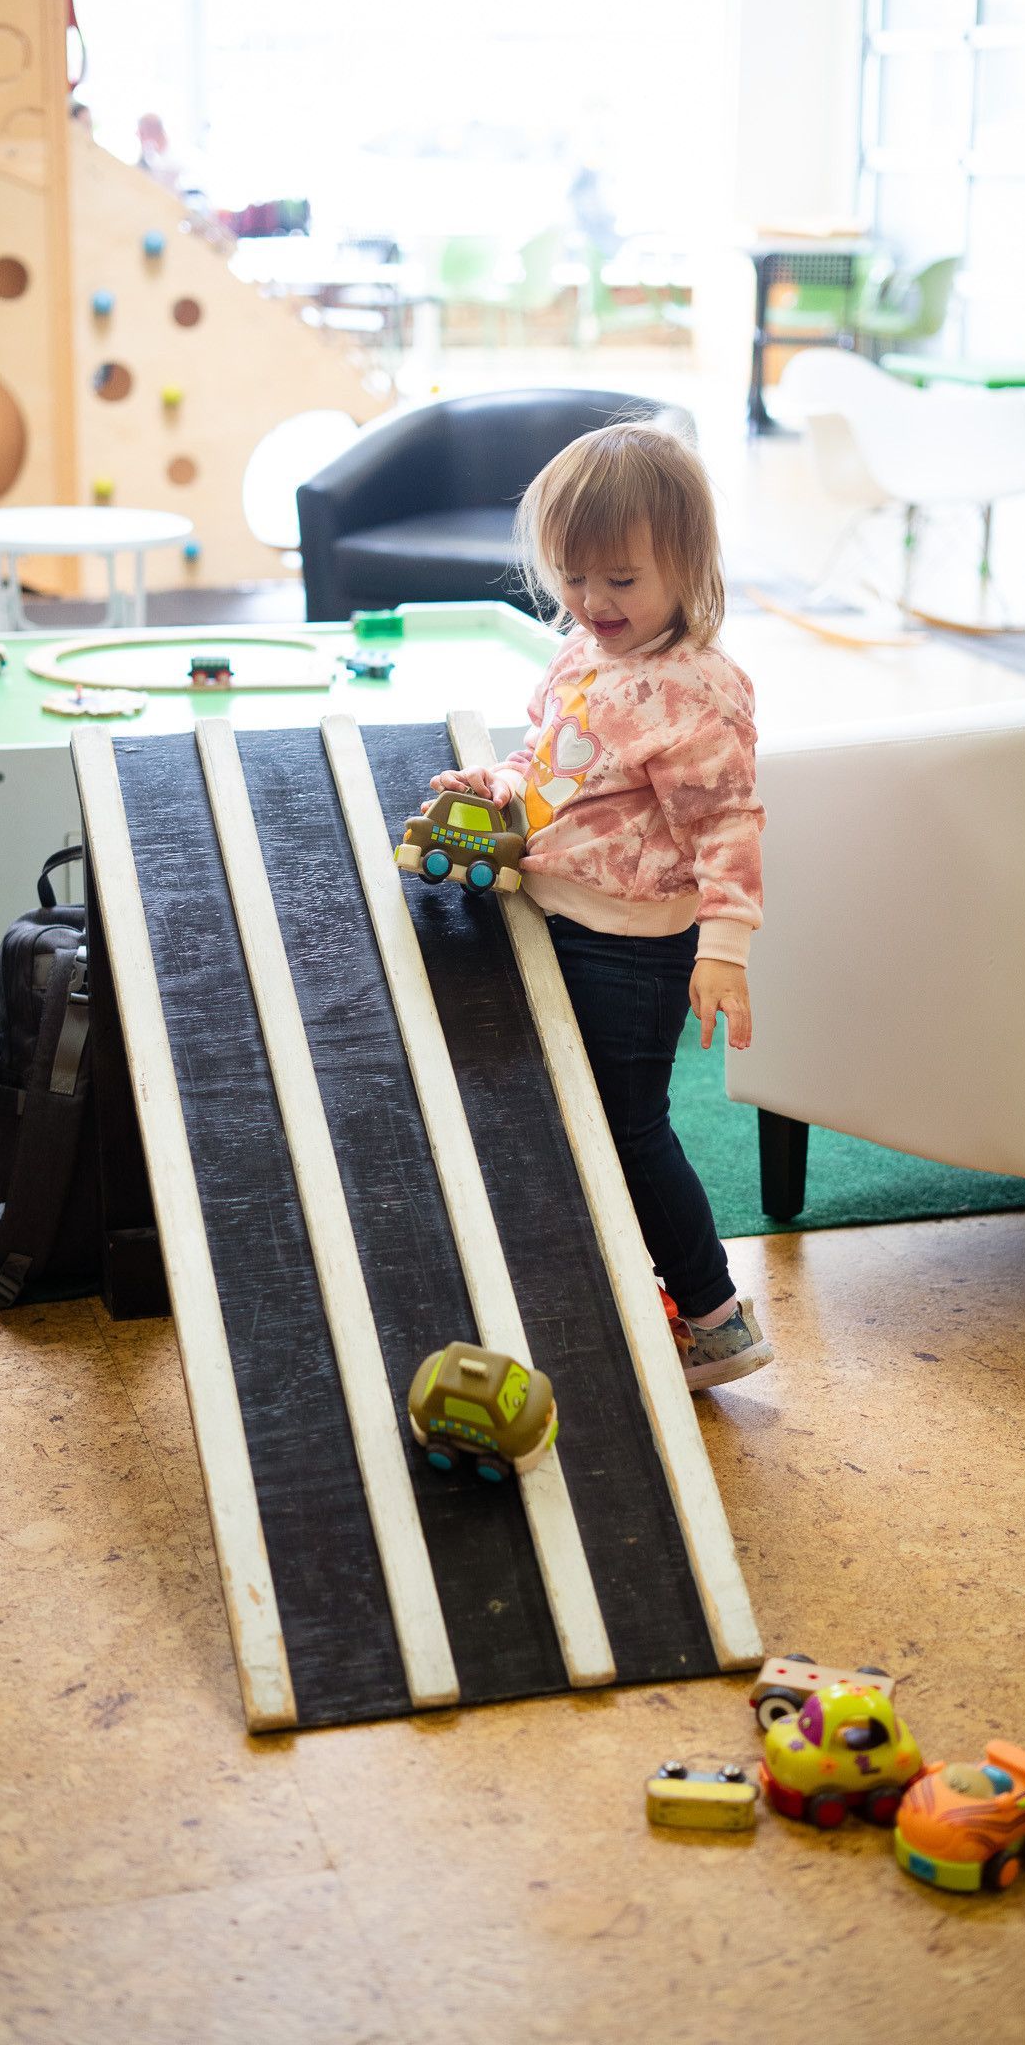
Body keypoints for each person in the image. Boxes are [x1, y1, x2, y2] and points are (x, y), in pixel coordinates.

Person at [425, 420, 773, 1391]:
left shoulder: (694, 691)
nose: (592, 601)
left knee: (628, 1124)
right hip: (553, 915)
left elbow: (728, 825)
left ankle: (715, 1316)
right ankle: (617, 1279)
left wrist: (725, 946)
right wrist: (498, 784)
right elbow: (558, 764)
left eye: (621, 580)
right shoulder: (581, 653)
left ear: (685, 565)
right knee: (557, 1111)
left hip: (632, 946)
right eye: (574, 575)